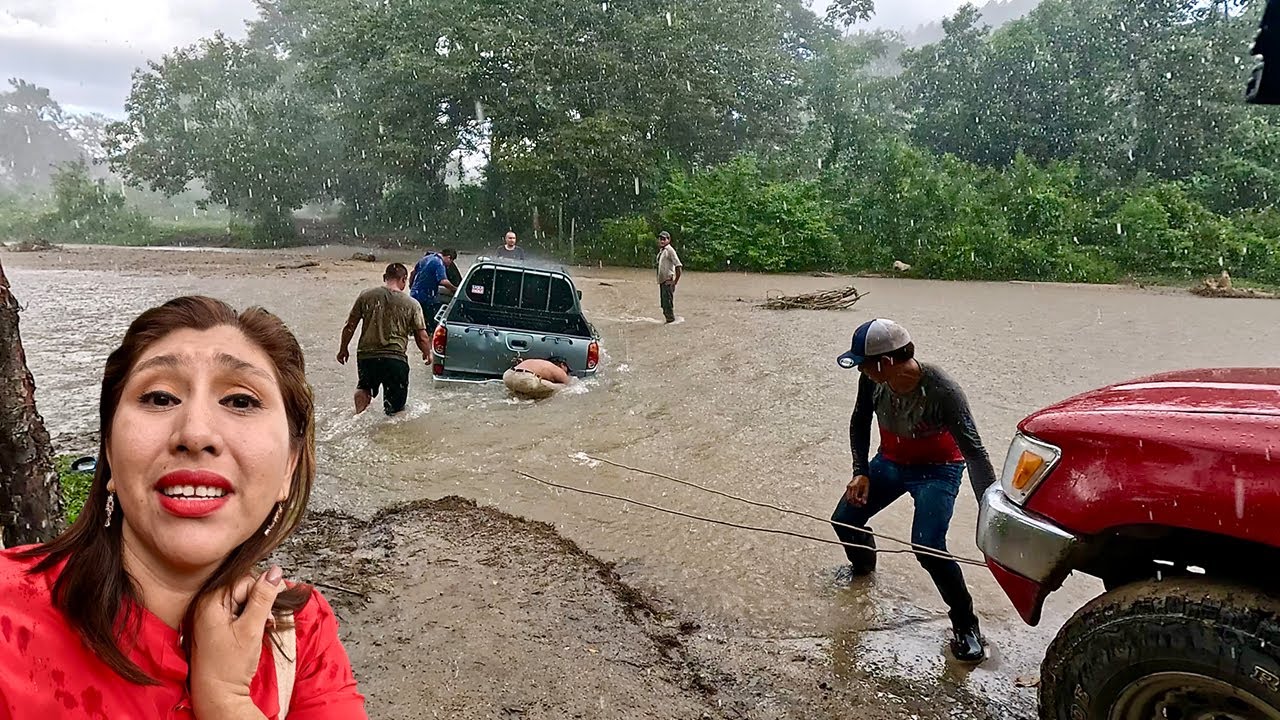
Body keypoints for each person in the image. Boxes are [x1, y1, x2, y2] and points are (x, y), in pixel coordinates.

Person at [0, 295, 366, 718]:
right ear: (109, 452)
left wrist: (226, 700)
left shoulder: (301, 634)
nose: (195, 432)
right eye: (159, 398)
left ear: (289, 465)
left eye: (240, 401)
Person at [829, 318, 996, 665]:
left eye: (864, 362)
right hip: (890, 461)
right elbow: (860, 420)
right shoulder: (870, 380)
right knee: (845, 519)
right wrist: (860, 472)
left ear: (886, 363)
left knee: (927, 546)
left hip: (937, 471)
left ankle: (966, 625)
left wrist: (990, 509)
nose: (861, 368)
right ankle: (863, 571)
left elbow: (975, 452)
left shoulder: (943, 390)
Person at [338, 263, 430, 416]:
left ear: (384, 278)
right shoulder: (412, 304)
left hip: (368, 356)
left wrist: (343, 348)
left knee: (364, 388)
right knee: (396, 411)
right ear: (404, 279)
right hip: (395, 358)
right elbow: (422, 336)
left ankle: (358, 416)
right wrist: (427, 353)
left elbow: (350, 325)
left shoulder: (366, 296)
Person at [408, 249, 458, 330]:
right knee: (430, 323)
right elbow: (443, 281)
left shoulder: (426, 258)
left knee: (417, 321)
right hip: (426, 297)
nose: (449, 264)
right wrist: (455, 289)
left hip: (414, 295)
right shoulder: (439, 263)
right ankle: (428, 337)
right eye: (451, 261)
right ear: (449, 257)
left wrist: (411, 286)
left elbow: (412, 273)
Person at [502, 356, 573, 400]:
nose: (567, 373)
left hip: (508, 376)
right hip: (525, 379)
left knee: (537, 384)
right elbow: (568, 386)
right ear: (562, 365)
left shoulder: (539, 362)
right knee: (563, 388)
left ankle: (520, 397)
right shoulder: (558, 369)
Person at [656, 231, 683, 323]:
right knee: (664, 305)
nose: (662, 241)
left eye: (664, 239)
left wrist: (675, 282)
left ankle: (671, 322)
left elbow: (678, 266)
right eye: (660, 239)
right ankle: (669, 322)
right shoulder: (662, 251)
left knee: (668, 305)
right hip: (663, 282)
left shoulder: (670, 250)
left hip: (668, 281)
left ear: (669, 240)